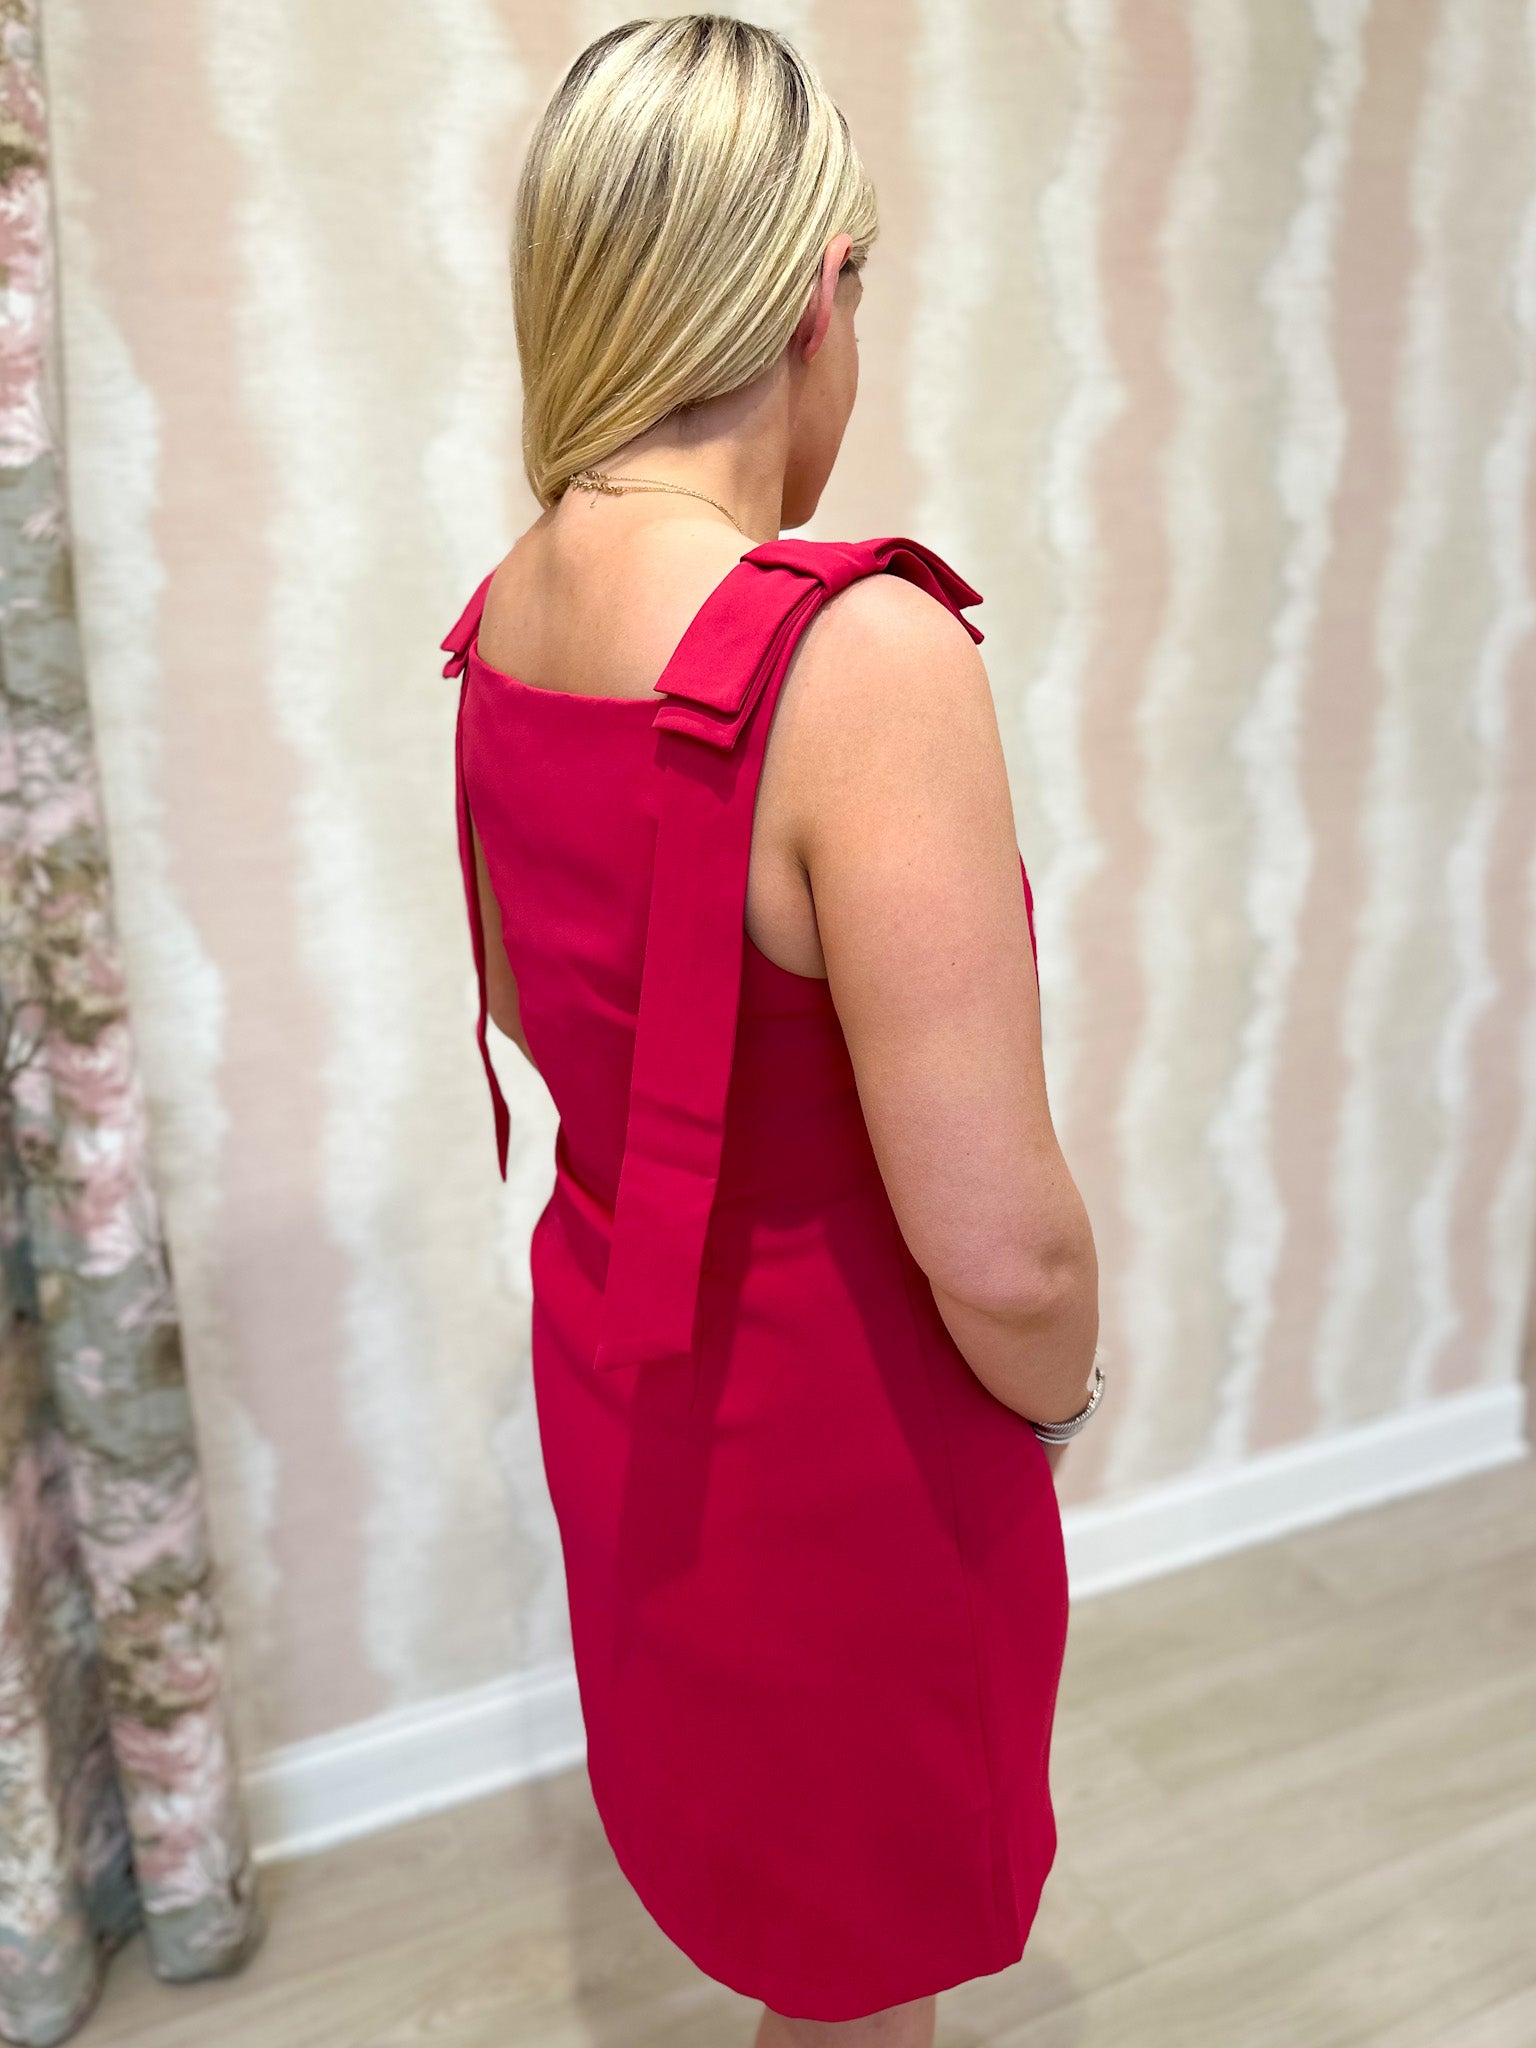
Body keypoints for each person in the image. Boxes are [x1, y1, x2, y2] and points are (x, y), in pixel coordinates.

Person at [443, 16, 1103, 2045]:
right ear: (822, 291)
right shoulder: (858, 657)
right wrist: (1059, 1407)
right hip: (840, 1440)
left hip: (627, 1374)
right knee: (860, 1966)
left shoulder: (506, 609)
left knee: (803, 1938)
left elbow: (531, 1001)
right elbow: (1006, 1249)